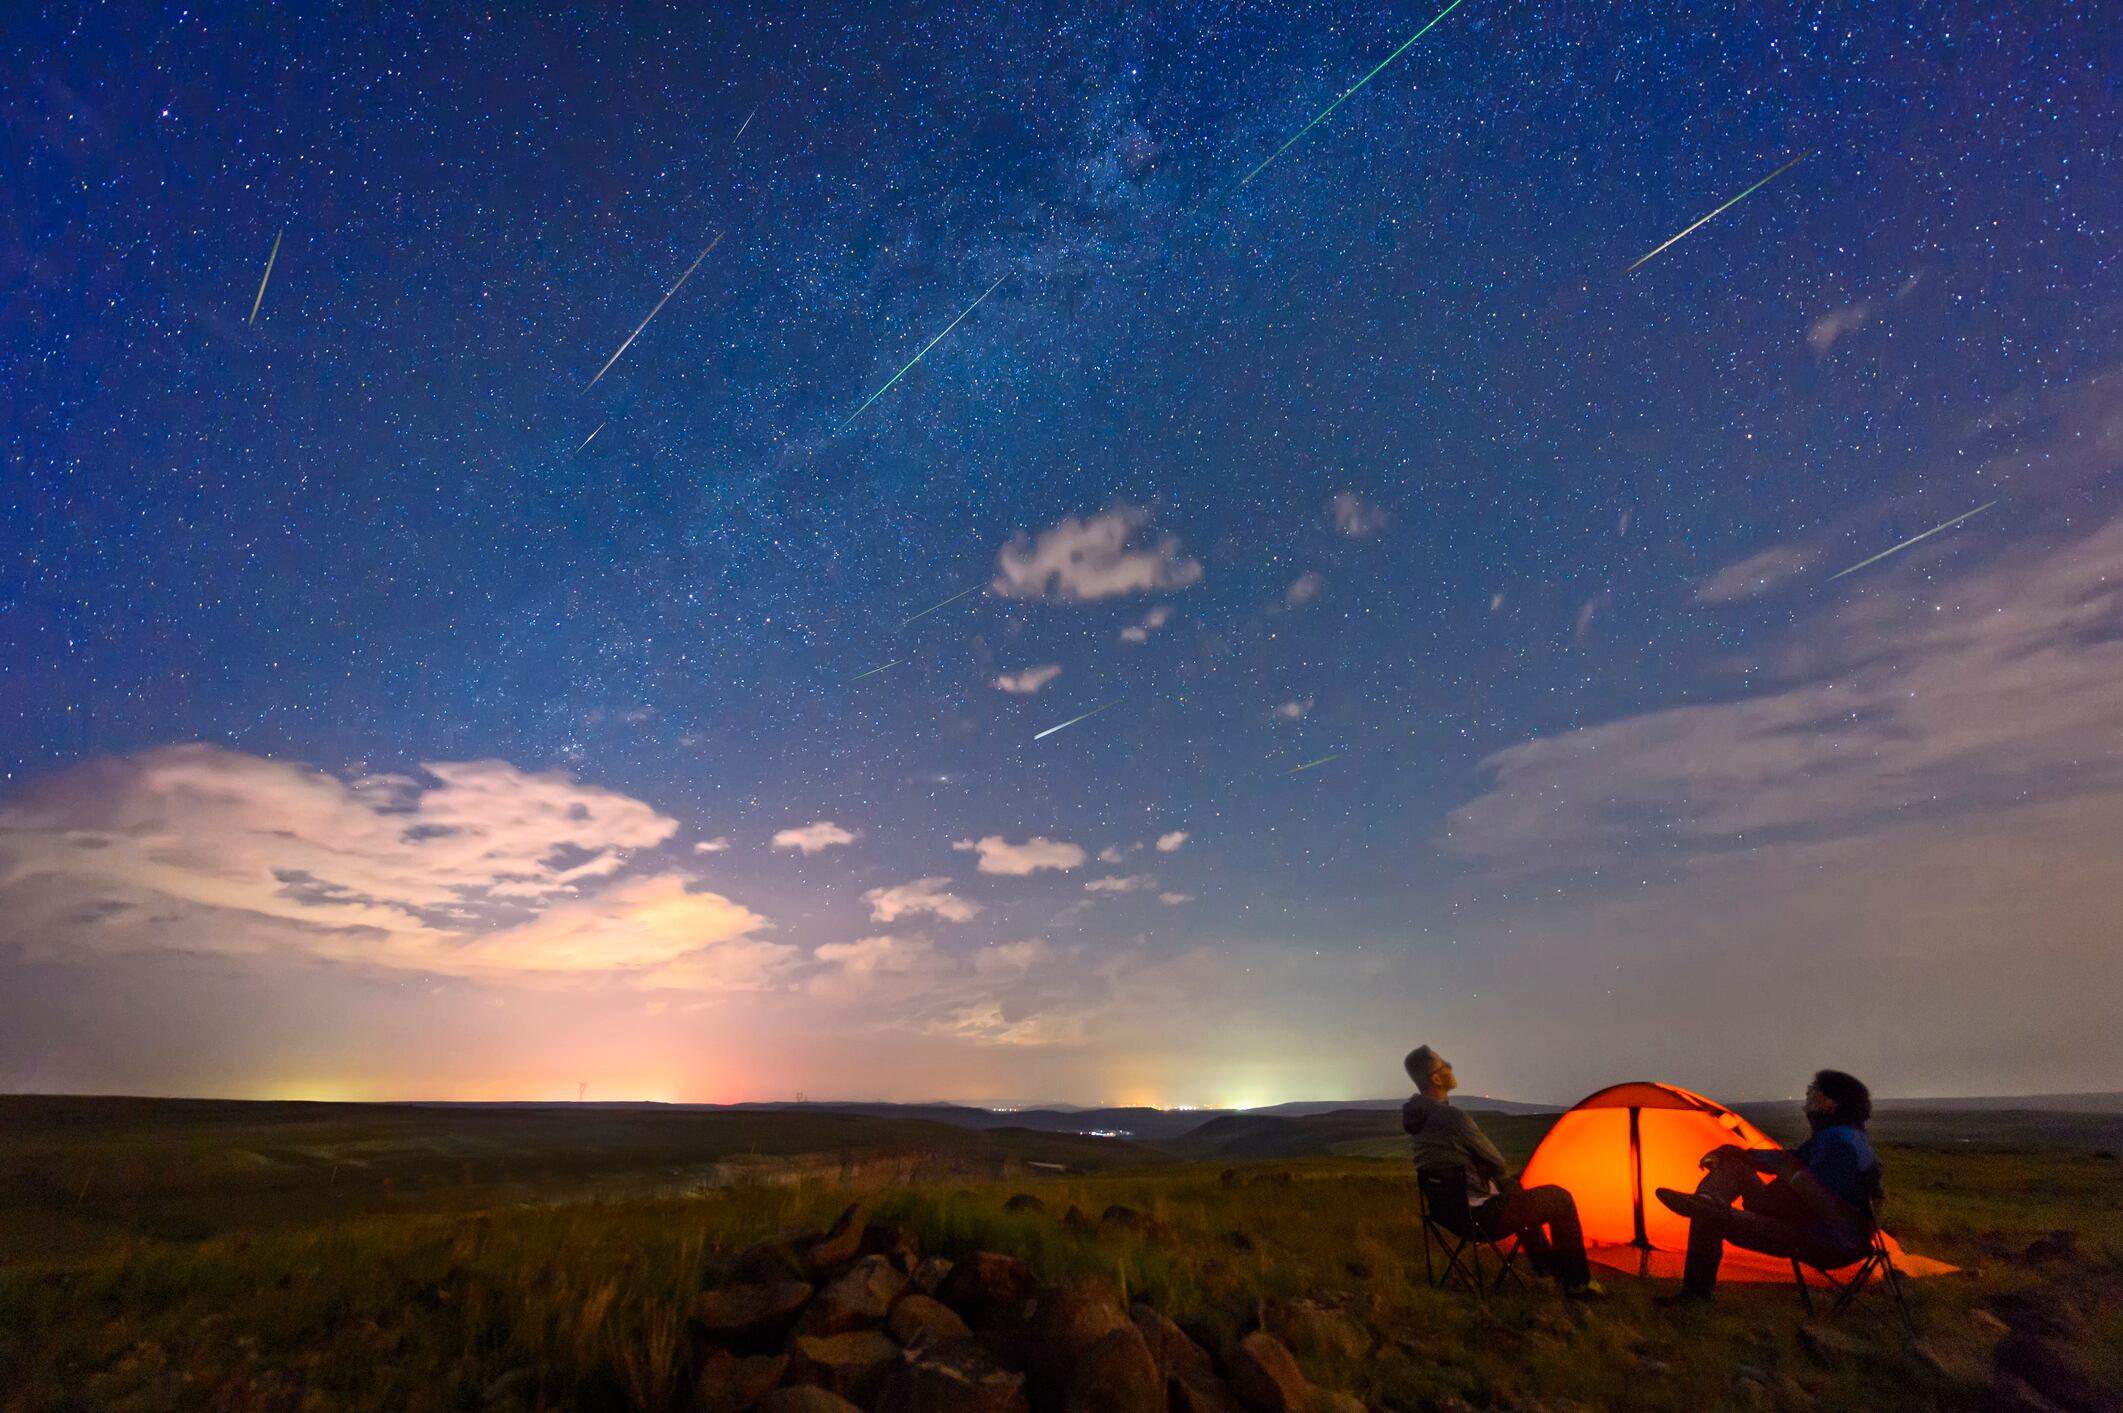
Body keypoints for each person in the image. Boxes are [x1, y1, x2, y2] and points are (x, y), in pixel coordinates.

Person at [1653, 1069, 1880, 1306]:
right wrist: (1736, 1153)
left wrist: (1763, 1207)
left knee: (1707, 1215)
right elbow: (1788, 1161)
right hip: (1808, 1224)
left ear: (1829, 1102)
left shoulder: (1839, 1144)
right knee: (1733, 1169)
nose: (1808, 1093)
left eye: (1814, 1089)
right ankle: (1708, 1201)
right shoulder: (1840, 1136)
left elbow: (1817, 1202)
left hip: (1817, 1239)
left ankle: (1698, 1291)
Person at [1402, 1045, 1604, 1299]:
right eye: (1444, 1065)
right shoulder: (1451, 1118)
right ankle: (1577, 1283)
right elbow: (1497, 1162)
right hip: (1481, 1217)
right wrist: (1483, 1165)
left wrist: (1480, 1167)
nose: (1450, 1067)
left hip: (1448, 1215)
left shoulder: (1418, 1121)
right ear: (1436, 1078)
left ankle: (1546, 1267)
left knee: (1513, 1186)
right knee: (1560, 1199)